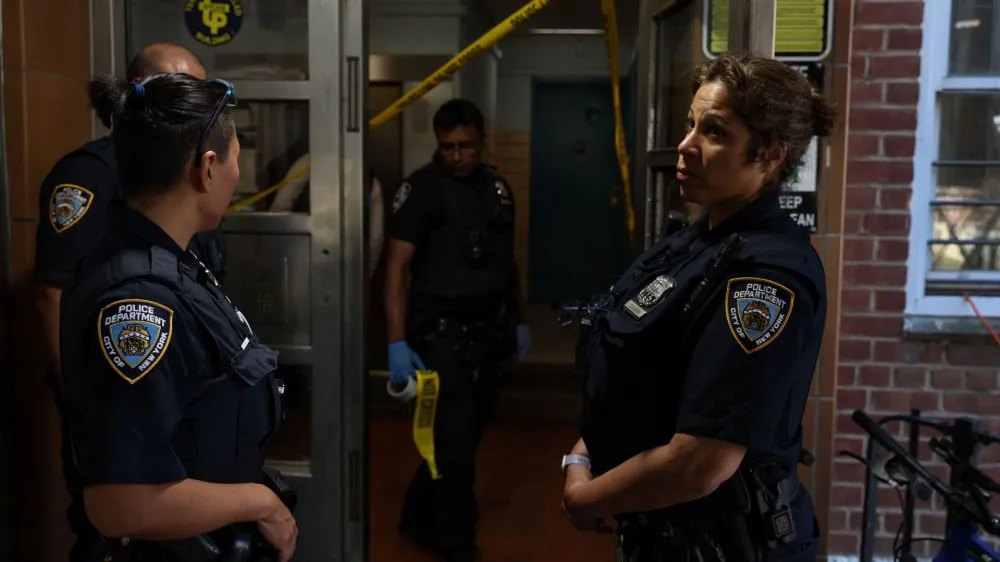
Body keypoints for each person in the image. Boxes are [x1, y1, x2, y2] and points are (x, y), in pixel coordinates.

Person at [559, 53, 836, 562]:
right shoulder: (694, 245)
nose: (686, 145)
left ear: (770, 155)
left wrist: (582, 498)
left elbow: (700, 463)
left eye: (714, 131)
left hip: (723, 546)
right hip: (660, 534)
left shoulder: (765, 278)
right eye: (691, 124)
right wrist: (585, 449)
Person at [60, 73, 297, 562]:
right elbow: (120, 504)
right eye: (236, 155)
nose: (237, 171)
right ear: (207, 169)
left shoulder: (173, 262)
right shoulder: (140, 303)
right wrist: (262, 503)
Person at [32, 42, 230, 562]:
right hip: (120, 399)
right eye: (186, 92)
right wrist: (80, 409)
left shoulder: (185, 174)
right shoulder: (95, 175)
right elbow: (53, 292)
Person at [383, 98, 530, 562]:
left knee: (467, 438)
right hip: (440, 337)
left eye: (466, 145)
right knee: (454, 448)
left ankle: (415, 516)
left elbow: (508, 263)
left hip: (487, 334)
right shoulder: (421, 190)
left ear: (480, 141)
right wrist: (396, 343)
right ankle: (456, 543)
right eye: (447, 147)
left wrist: (520, 320)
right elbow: (394, 271)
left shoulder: (498, 190)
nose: (457, 155)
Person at [267, 152, 386, 278]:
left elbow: (280, 207)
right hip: (348, 267)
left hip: (303, 258)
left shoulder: (309, 162)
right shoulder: (368, 178)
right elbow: (375, 238)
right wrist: (366, 274)